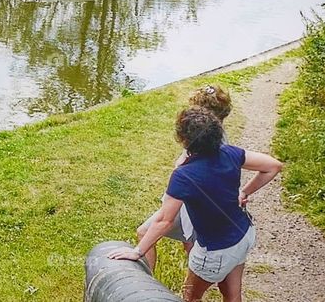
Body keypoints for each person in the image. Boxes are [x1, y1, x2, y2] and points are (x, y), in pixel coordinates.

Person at [109, 107, 283, 302]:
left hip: (216, 250)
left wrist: (137, 252)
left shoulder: (184, 175)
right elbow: (273, 166)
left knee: (190, 296)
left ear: (184, 140)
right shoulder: (229, 152)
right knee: (232, 294)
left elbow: (164, 221)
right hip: (244, 235)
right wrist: (244, 191)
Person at [135, 84, 233, 270]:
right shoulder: (212, 136)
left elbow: (196, 175)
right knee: (185, 243)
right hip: (192, 201)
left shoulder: (209, 143)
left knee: (189, 245)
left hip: (195, 204)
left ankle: (188, 292)